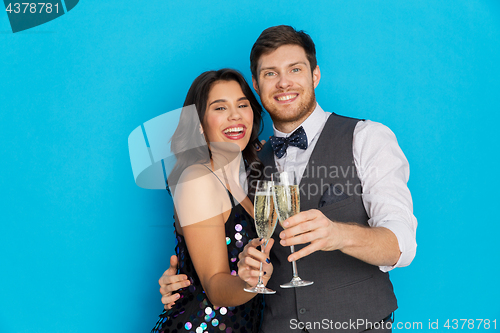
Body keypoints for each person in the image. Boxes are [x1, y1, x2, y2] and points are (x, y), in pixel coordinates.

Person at [159, 26, 417, 333]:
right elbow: (217, 253)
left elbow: (403, 245)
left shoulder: (367, 138)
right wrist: (187, 283)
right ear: (257, 84)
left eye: (295, 69)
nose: (284, 82)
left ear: (315, 75)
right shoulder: (249, 161)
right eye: (270, 73)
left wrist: (339, 234)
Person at [151, 68, 275, 333]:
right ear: (198, 124)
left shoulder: (246, 177)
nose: (235, 115)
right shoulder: (198, 179)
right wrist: (250, 281)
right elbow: (216, 287)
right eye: (220, 108)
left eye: (243, 104)